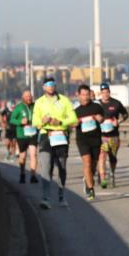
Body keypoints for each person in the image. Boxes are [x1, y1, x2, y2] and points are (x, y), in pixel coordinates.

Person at [32, 77, 78, 209]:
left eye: (52, 84)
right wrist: (43, 120)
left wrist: (61, 122)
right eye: (48, 85)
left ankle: (61, 194)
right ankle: (46, 198)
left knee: (62, 168)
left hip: (61, 136)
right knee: (46, 167)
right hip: (46, 135)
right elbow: (35, 122)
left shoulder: (64, 100)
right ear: (43, 88)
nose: (50, 87)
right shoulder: (39, 102)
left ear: (55, 86)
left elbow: (73, 118)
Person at [74, 84, 104, 201]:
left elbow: (102, 118)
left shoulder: (96, 107)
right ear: (79, 95)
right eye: (83, 95)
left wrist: (99, 119)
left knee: (93, 166)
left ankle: (87, 180)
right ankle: (91, 189)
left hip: (96, 139)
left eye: (87, 95)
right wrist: (75, 122)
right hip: (82, 140)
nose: (85, 97)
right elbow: (71, 124)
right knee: (87, 162)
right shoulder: (76, 111)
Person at [98, 82, 129, 189]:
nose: (105, 94)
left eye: (107, 92)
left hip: (114, 135)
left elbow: (125, 114)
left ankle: (112, 174)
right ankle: (103, 179)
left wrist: (119, 121)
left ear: (109, 92)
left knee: (112, 157)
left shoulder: (116, 103)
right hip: (101, 136)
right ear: (100, 93)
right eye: (103, 92)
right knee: (102, 156)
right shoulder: (97, 104)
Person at [10, 91, 39, 185]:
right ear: (23, 97)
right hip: (22, 135)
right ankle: (22, 173)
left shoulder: (35, 106)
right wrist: (20, 121)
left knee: (33, 154)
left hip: (33, 134)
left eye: (30, 96)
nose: (29, 98)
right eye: (26, 96)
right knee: (23, 156)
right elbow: (12, 120)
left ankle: (33, 176)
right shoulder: (19, 107)